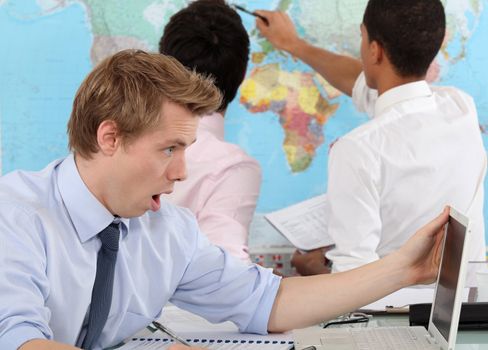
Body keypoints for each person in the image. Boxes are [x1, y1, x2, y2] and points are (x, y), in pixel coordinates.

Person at [0, 49, 449, 350]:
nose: (181, 172)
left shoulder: (167, 230)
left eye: (186, 150)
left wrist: (405, 268)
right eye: (169, 149)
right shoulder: (15, 215)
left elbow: (268, 303)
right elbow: (19, 340)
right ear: (110, 136)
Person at [256, 0, 487, 276]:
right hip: (468, 310)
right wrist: (295, 45)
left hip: (399, 315)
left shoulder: (358, 150)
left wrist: (313, 270)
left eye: (362, 38)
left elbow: (353, 279)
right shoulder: (461, 108)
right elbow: (364, 82)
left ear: (374, 50)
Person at [159, 0, 259, 263]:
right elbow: (227, 274)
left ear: (164, 66)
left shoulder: (117, 139)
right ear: (243, 72)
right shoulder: (231, 167)